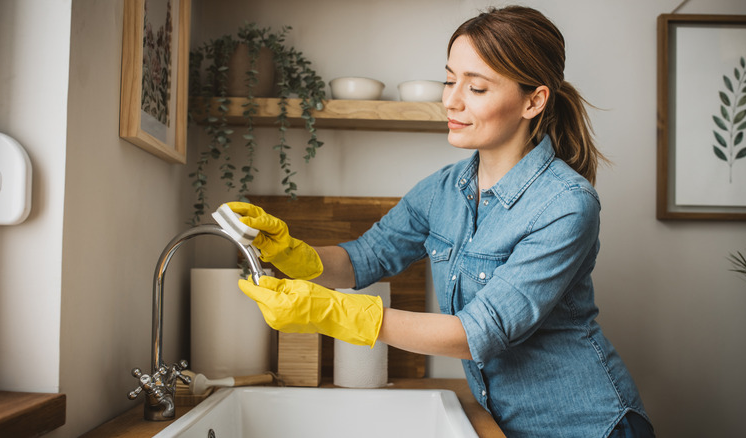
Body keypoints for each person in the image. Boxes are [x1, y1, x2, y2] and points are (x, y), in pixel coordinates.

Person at [232, 5, 654, 437]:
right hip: (506, 425)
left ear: (534, 101)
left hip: (588, 426)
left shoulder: (566, 205)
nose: (451, 100)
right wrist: (291, 252)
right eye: (450, 80)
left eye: (476, 87)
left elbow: (479, 332)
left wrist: (335, 313)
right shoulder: (442, 190)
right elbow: (365, 258)